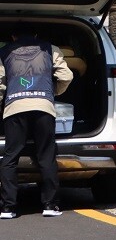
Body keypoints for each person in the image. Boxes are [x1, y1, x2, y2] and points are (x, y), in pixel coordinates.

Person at [0, 31, 73, 218]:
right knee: (46, 155)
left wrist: (3, 101)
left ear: (13, 37)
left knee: (10, 157)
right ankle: (50, 205)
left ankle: (8, 207)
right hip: (43, 108)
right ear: (36, 34)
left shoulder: (4, 52)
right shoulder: (50, 49)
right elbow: (66, 76)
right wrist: (53, 92)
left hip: (15, 108)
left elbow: (0, 83)